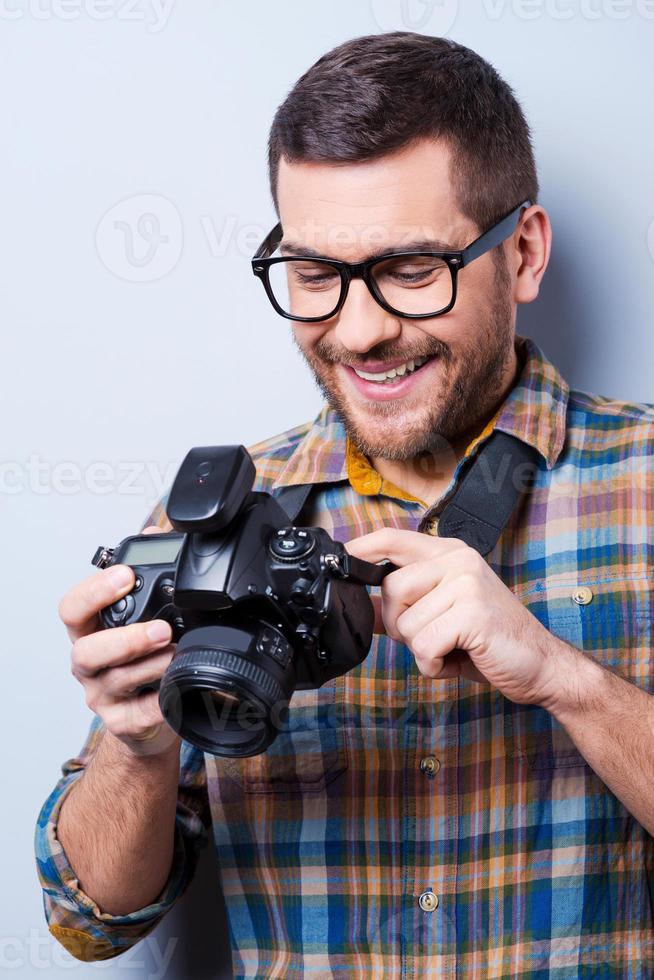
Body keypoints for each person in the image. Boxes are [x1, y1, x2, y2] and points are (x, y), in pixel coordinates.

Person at [35, 32, 654, 978]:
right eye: (317, 275)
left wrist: (561, 678)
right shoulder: (217, 514)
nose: (360, 331)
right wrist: (141, 743)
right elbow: (91, 924)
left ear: (522, 254)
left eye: (412, 269)